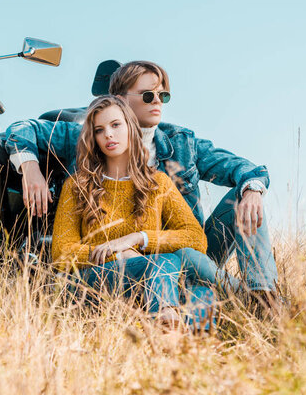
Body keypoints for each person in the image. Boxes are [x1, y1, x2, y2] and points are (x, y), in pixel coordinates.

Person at [5, 61, 278, 301]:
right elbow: (22, 128)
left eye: (163, 95)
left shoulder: (182, 142)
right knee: (187, 281)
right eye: (148, 95)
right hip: (125, 266)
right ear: (119, 99)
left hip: (189, 251)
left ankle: (262, 294)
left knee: (244, 198)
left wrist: (252, 189)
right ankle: (239, 303)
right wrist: (29, 166)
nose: (157, 101)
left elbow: (246, 170)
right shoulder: (85, 136)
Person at [52, 95, 211, 326]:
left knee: (201, 291)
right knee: (164, 263)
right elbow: (61, 253)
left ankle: (191, 350)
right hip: (92, 282)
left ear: (130, 128)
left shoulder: (158, 183)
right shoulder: (77, 185)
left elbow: (196, 238)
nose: (108, 134)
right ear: (93, 137)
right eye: (99, 130)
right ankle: (168, 321)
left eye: (116, 125)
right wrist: (117, 254)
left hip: (153, 281)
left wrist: (136, 239)